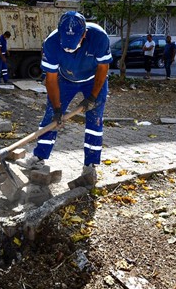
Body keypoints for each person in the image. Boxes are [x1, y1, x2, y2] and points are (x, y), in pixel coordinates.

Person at [17, 11, 112, 188]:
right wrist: (58, 108)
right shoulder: (51, 43)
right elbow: (50, 79)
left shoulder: (99, 37)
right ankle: (39, 157)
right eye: (65, 45)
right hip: (65, 80)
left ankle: (90, 166)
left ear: (84, 34)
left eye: (73, 45)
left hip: (93, 80)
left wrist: (92, 96)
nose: (68, 49)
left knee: (95, 120)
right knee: (50, 116)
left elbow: (103, 69)